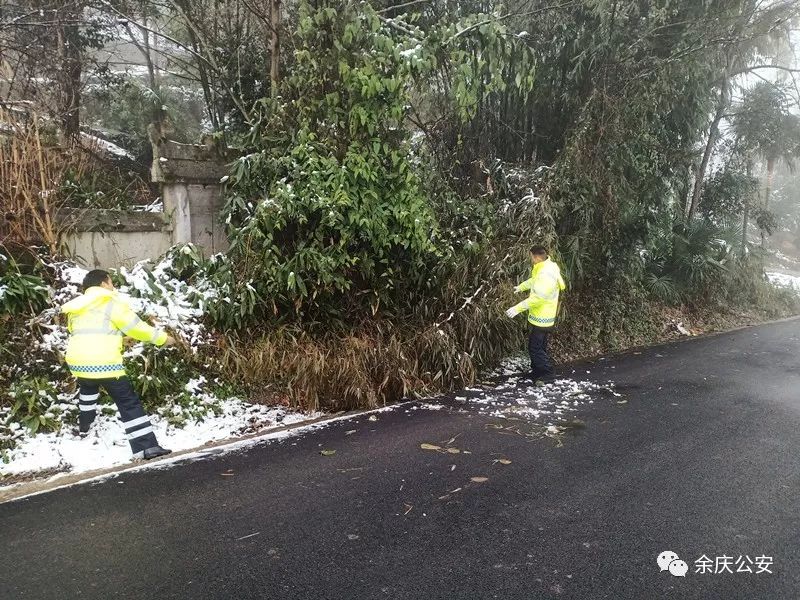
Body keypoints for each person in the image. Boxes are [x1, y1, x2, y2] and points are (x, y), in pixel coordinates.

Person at [61, 269, 175, 460]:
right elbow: (137, 328)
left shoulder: (76, 306)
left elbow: (84, 333)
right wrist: (163, 339)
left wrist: (117, 340)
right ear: (104, 284)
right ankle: (146, 448)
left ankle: (84, 430)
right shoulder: (109, 302)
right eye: (111, 282)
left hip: (78, 362)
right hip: (104, 363)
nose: (113, 286)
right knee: (127, 401)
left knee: (88, 392)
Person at [505, 246, 566, 383]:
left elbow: (538, 298)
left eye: (531, 256)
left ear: (537, 257)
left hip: (543, 317)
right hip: (543, 315)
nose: (530, 259)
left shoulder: (546, 274)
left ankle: (548, 373)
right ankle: (537, 372)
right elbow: (534, 281)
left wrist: (517, 308)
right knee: (540, 347)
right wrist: (520, 287)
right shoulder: (546, 267)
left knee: (535, 348)